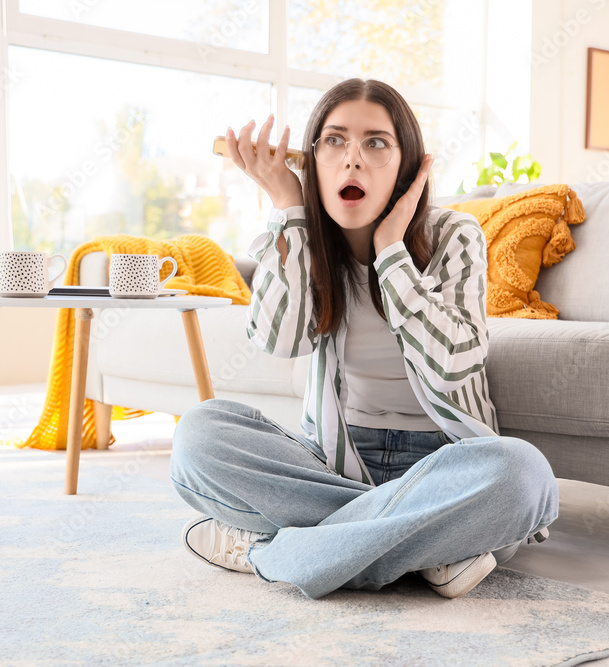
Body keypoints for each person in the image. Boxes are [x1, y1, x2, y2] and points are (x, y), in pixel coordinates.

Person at [170, 78, 558, 601]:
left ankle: (274, 551)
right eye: (334, 141)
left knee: (523, 476)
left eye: (376, 142)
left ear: (406, 165)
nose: (352, 159)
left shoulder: (455, 234)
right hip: (332, 463)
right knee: (198, 437)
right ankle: (431, 549)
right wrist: (288, 206)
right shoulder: (305, 238)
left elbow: (455, 363)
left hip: (445, 464)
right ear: (313, 162)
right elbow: (278, 339)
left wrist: (392, 251)